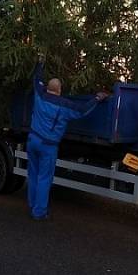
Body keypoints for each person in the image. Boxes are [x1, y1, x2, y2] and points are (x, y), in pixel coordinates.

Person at [27, 58, 108, 220]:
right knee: (44, 178)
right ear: (60, 90)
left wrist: (40, 63)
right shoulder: (64, 105)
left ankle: (32, 204)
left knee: (33, 175)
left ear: (48, 88)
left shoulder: (39, 95)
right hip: (48, 146)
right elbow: (82, 111)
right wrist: (97, 98)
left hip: (32, 140)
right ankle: (39, 212)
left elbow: (36, 79)